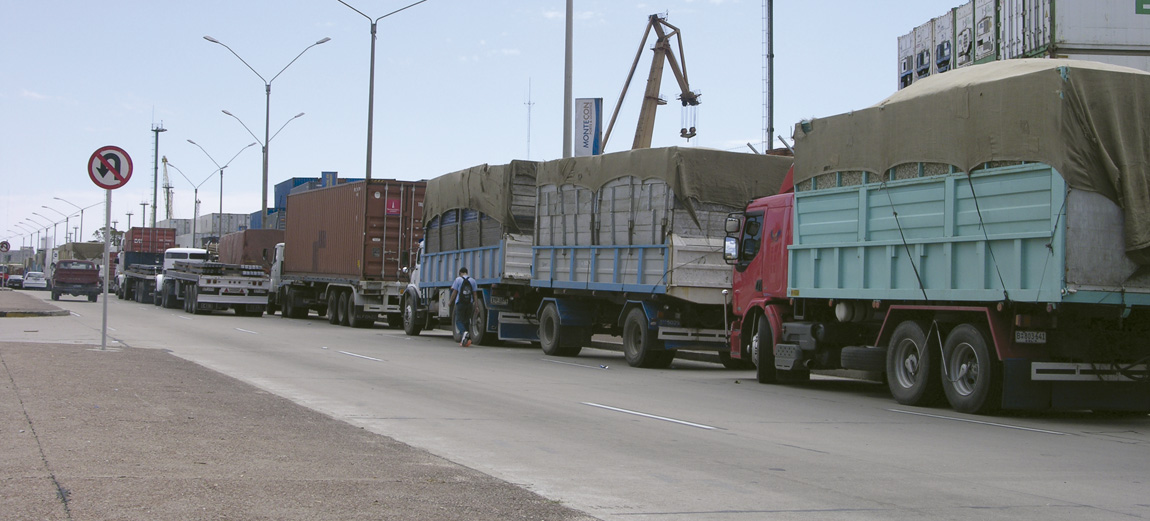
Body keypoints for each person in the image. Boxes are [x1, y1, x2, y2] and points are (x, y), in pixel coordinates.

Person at [450, 267, 478, 346]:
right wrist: (476, 306)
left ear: (460, 273)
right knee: (466, 320)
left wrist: (450, 302)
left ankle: (463, 332)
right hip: (469, 303)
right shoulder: (473, 280)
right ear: (466, 272)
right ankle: (466, 340)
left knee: (458, 320)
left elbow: (454, 292)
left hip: (460, 303)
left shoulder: (458, 279)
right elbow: (475, 294)